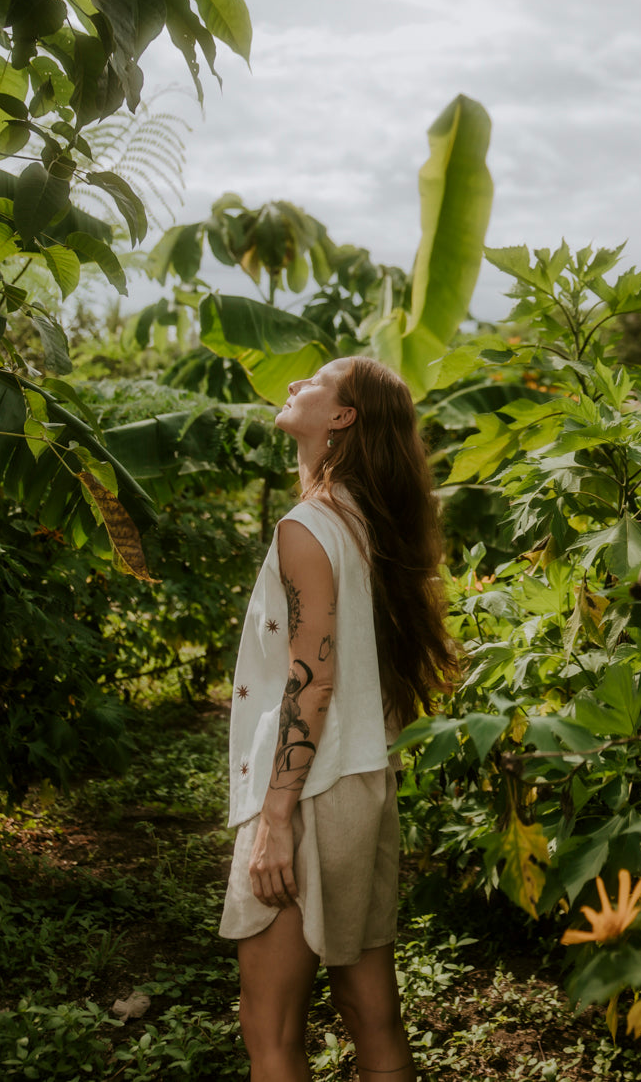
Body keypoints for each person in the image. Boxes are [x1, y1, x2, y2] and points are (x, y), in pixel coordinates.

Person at [220, 356, 458, 1082]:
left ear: (343, 416)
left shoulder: (309, 526)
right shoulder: (369, 524)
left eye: (314, 384)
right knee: (370, 1011)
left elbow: (311, 679)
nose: (294, 386)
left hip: (310, 788)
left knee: (271, 1027)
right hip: (362, 782)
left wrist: (274, 820)